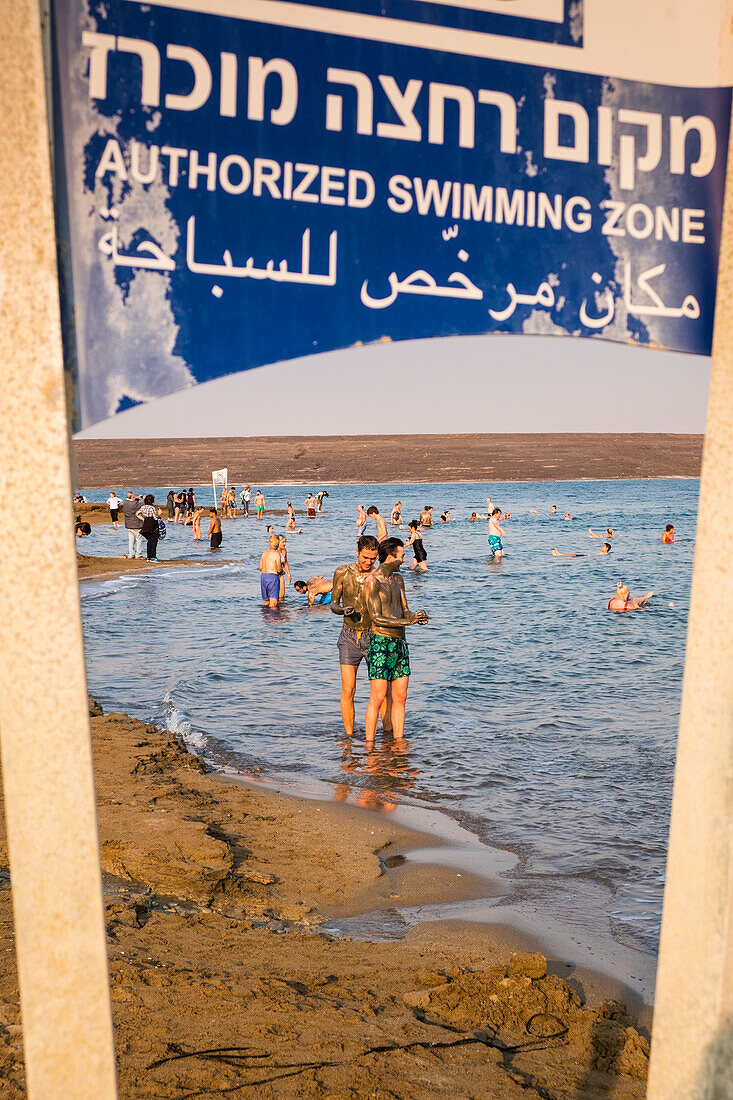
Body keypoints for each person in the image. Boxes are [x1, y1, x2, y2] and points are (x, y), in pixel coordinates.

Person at [363, 538, 429, 743]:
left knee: (401, 697)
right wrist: (407, 622)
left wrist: (416, 617)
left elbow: (405, 610)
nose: (404, 559)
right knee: (378, 697)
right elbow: (375, 616)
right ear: (390, 557)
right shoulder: (372, 581)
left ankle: (399, 742)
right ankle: (369, 746)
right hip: (380, 642)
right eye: (401, 555)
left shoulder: (398, 580)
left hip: (400, 643)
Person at [331, 535, 385, 737]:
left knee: (381, 693)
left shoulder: (380, 575)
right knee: (348, 689)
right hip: (349, 636)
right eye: (365, 557)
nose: (368, 562)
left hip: (375, 635)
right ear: (357, 552)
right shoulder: (342, 572)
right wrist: (342, 610)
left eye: (372, 558)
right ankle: (349, 737)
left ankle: (386, 736)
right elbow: (334, 603)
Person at [259, 534, 283, 608]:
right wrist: (282, 572)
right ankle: (272, 618)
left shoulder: (264, 553)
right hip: (272, 577)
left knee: (267, 601)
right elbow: (279, 569)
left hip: (263, 577)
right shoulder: (276, 554)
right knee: (273, 602)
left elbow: (260, 567)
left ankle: (265, 617)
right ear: (277, 543)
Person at [137, 494, 162, 562]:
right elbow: (155, 518)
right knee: (154, 541)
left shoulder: (143, 507)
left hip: (146, 524)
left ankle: (149, 557)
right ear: (152, 501)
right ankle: (153, 557)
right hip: (152, 524)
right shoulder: (152, 508)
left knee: (149, 541)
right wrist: (159, 513)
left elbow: (137, 513)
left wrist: (143, 519)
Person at [122, 490, 144, 558]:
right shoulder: (134, 504)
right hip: (136, 524)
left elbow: (133, 502)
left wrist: (138, 498)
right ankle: (138, 554)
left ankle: (131, 554)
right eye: (134, 496)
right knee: (139, 540)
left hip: (129, 524)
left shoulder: (125, 503)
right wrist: (145, 498)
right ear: (132, 497)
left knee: (131, 540)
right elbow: (142, 504)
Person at [278, 535, 292, 600]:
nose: (285, 544)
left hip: (281, 574)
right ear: (278, 542)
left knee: (282, 594)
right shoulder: (274, 551)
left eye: (285, 542)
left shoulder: (284, 550)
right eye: (283, 542)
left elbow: (285, 563)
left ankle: (280, 608)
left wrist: (288, 574)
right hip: (273, 574)